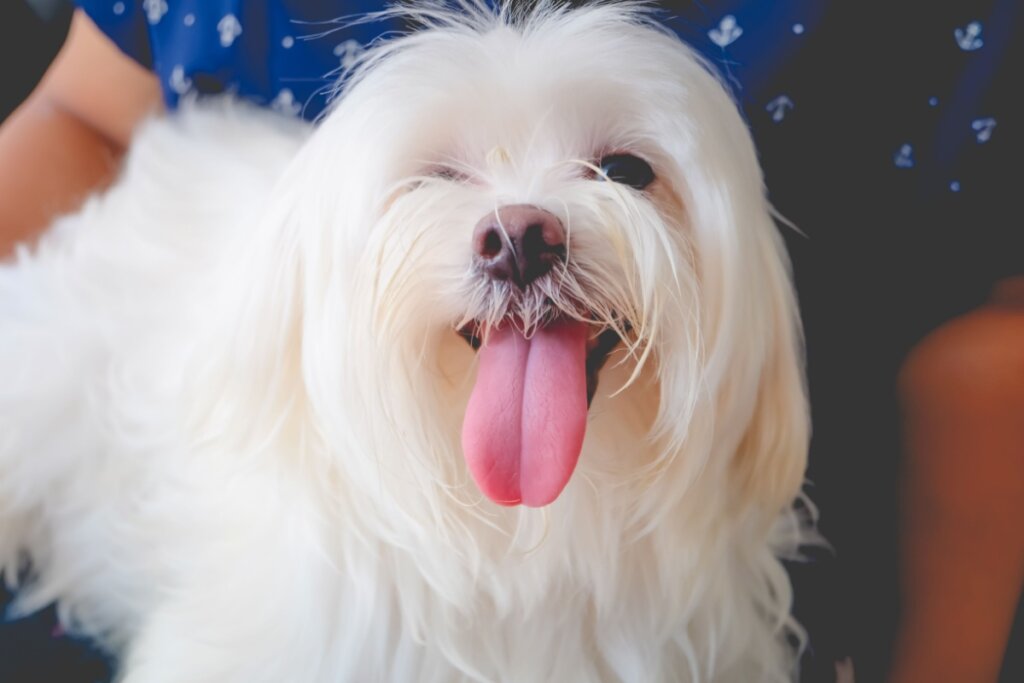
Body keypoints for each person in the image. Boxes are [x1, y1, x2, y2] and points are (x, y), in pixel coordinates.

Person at [1, 2, 1021, 682]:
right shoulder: (280, 608)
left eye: (622, 171)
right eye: (437, 180)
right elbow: (78, 110)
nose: (524, 223)